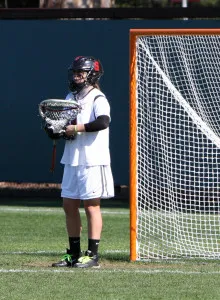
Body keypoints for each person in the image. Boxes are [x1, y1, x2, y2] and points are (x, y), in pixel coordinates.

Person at [52, 56, 114, 268]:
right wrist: (57, 131)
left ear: (92, 75)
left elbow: (103, 122)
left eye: (81, 73)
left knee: (91, 206)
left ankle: (92, 255)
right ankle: (74, 253)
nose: (76, 76)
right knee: (68, 205)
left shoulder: (98, 98)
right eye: (74, 72)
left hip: (92, 158)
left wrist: (76, 129)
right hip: (72, 158)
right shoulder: (70, 96)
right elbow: (66, 124)